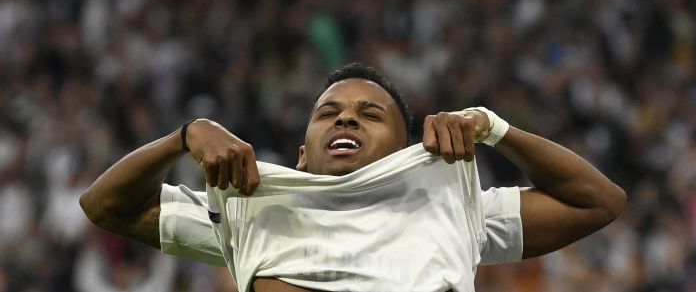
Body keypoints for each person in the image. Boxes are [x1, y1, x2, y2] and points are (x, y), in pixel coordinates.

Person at [80, 63, 626, 292]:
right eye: (328, 112)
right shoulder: (253, 205)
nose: (345, 119)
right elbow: (104, 206)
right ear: (301, 155)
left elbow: (598, 203)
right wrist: (184, 135)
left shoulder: (451, 207)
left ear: (406, 151)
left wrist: (495, 129)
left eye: (370, 114)